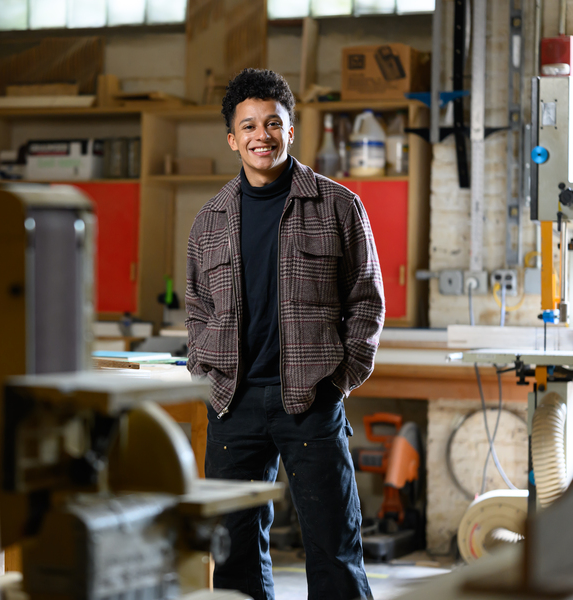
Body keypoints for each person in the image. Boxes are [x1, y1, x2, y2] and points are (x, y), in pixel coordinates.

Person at [184, 68, 385, 600]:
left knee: (334, 548)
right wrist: (207, 373)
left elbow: (366, 300)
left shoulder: (337, 205)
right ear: (232, 139)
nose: (262, 135)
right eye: (248, 126)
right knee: (233, 551)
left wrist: (339, 380)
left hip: (310, 398)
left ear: (290, 130)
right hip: (233, 403)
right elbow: (197, 308)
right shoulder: (210, 220)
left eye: (273, 123)